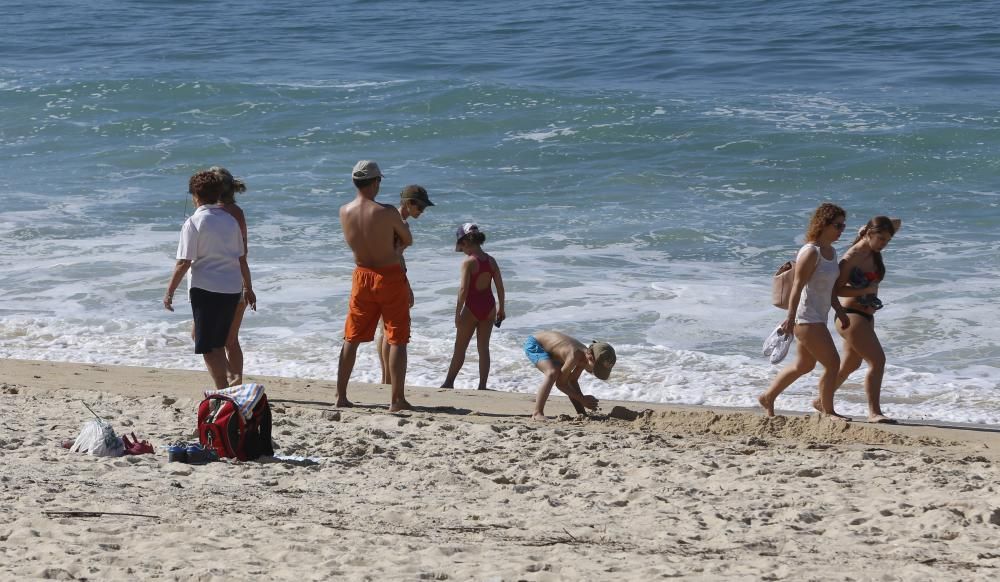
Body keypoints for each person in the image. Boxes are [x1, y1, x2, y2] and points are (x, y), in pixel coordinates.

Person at [164, 170, 257, 389]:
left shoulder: (194, 222)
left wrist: (169, 292)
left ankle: (227, 388)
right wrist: (248, 287)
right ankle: (230, 387)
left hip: (205, 290)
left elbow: (184, 262)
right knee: (218, 342)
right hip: (232, 289)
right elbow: (242, 258)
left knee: (207, 345)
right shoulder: (231, 220)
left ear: (195, 195)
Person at [758, 203, 851, 420]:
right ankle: (828, 411)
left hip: (820, 316)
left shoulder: (831, 252)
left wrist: (839, 310)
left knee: (804, 365)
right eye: (837, 225)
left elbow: (828, 288)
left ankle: (767, 397)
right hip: (806, 318)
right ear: (824, 224)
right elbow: (797, 287)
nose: (841, 230)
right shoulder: (810, 252)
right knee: (833, 363)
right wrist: (790, 318)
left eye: (843, 226)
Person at [336, 160, 413, 412]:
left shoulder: (344, 211)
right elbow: (407, 239)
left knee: (351, 337)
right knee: (397, 337)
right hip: (389, 276)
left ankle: (341, 395)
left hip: (361, 276)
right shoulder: (387, 211)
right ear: (376, 182)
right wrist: (396, 248)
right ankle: (396, 399)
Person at [832, 216, 901, 424]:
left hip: (866, 317)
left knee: (851, 364)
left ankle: (821, 400)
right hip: (850, 316)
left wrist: (865, 230)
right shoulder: (852, 256)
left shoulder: (872, 248)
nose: (884, 244)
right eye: (880, 239)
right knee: (877, 361)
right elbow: (835, 290)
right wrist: (865, 289)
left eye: (887, 241)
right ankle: (874, 412)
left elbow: (897, 222)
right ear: (870, 235)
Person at [377, 185, 434, 385]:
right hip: (392, 277)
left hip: (379, 276)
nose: (422, 211)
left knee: (383, 330)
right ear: (409, 203)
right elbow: (396, 257)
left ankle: (385, 378)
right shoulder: (400, 224)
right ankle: (389, 379)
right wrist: (406, 285)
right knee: (390, 332)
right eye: (420, 207)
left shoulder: (386, 219)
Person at [441, 223, 506, 390]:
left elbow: (463, 290)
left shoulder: (468, 262)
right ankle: (482, 385)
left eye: (461, 246)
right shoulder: (491, 260)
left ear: (465, 242)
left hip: (472, 308)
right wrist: (501, 308)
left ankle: (449, 382)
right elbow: (499, 286)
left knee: (460, 348)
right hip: (489, 306)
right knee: (483, 348)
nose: (461, 250)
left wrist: (457, 314)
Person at [213, 166, 253, 386]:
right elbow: (243, 254)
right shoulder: (237, 213)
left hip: (216, 283)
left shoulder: (210, 214)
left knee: (202, 336)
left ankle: (231, 378)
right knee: (231, 340)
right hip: (237, 278)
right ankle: (236, 384)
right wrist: (248, 286)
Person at [523, 331, 615, 421]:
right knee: (552, 373)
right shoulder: (574, 356)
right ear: (590, 357)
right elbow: (560, 384)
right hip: (536, 344)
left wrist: (582, 409)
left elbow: (572, 381)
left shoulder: (585, 357)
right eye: (595, 369)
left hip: (553, 350)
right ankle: (537, 413)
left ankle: (580, 412)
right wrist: (582, 399)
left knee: (565, 377)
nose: (593, 372)